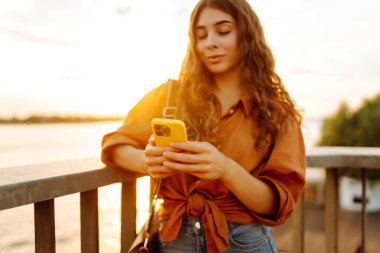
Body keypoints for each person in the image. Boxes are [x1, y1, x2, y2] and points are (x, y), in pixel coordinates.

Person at [101, 0, 305, 252]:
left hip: (245, 243)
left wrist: (226, 170)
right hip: (174, 240)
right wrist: (147, 161)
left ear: (247, 34)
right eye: (201, 35)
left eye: (223, 31)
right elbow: (115, 143)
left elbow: (278, 204)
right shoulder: (169, 96)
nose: (210, 42)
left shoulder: (277, 113)